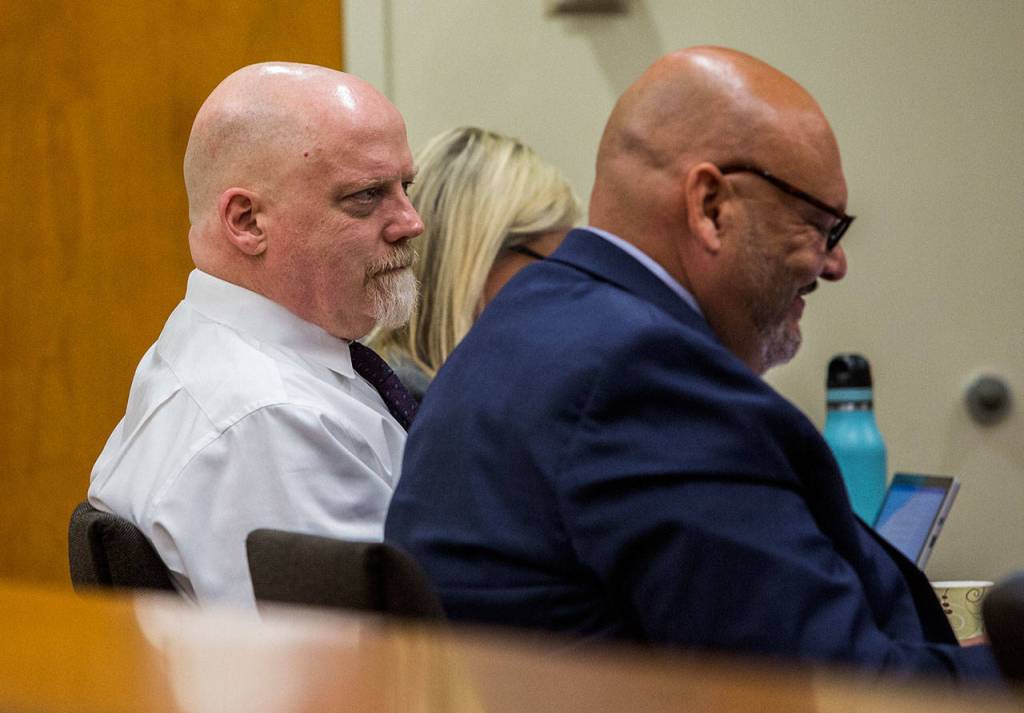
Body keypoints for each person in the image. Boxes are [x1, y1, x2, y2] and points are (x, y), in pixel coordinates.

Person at [385, 47, 1002, 680]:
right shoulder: (643, 376)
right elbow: (836, 699)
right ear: (710, 206)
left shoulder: (523, 330)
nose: (834, 263)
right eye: (820, 226)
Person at [89, 62, 424, 607]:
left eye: (405, 187)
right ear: (245, 221)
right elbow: (358, 668)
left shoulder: (231, 349)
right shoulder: (270, 417)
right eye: (366, 196)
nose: (410, 221)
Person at [368, 126, 580, 399]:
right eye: (552, 266)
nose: (564, 291)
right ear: (481, 259)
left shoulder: (394, 386)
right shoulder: (420, 412)